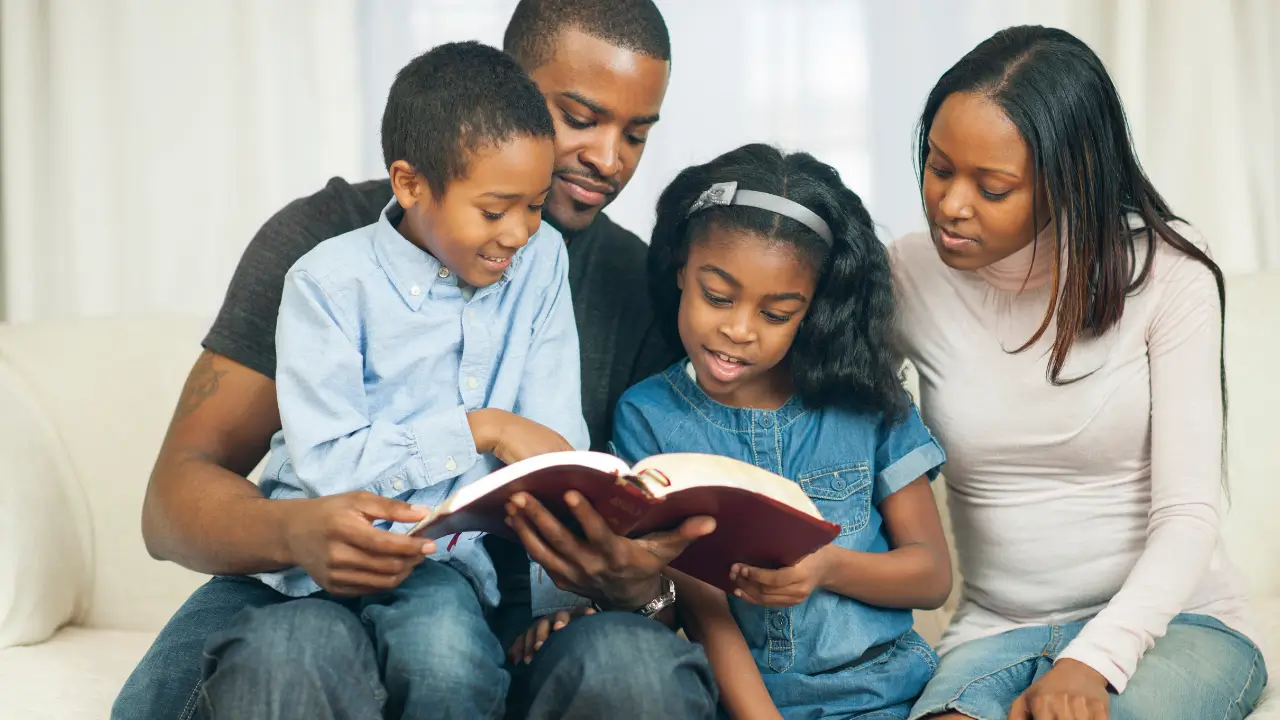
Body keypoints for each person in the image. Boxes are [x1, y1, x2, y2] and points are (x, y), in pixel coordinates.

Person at [114, 2, 718, 719]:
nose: (609, 158)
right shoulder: (323, 248)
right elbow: (171, 504)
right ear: (508, 90)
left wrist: (633, 588)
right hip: (304, 582)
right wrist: (293, 532)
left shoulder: (635, 287)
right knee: (290, 653)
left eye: (637, 133)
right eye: (579, 118)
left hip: (504, 607)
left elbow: (638, 519)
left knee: (631, 670)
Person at [195, 40, 588, 719]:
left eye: (536, 204)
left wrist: (566, 604)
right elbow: (330, 464)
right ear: (410, 184)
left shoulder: (543, 261)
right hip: (316, 556)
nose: (520, 232)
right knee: (275, 664)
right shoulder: (325, 282)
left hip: (439, 565)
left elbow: (554, 455)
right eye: (495, 210)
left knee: (450, 662)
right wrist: (479, 429)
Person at [891, 26, 1268, 720]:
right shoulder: (909, 276)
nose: (951, 204)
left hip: (1179, 625)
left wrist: (1093, 659)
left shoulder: (1167, 275)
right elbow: (821, 413)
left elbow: (1187, 515)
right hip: (998, 627)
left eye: (992, 186)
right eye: (939, 167)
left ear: (1072, 179)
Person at [516, 143, 953, 720]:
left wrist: (829, 567)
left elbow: (931, 577)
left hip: (891, 697)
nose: (739, 330)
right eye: (717, 297)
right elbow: (706, 613)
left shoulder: (865, 401)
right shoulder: (649, 417)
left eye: (776, 315)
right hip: (749, 707)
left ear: (813, 310)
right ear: (681, 269)